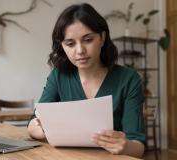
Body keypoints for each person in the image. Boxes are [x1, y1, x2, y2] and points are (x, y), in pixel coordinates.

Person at [27, 3, 145, 158]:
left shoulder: (129, 79)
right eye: (70, 43)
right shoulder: (58, 76)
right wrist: (41, 128)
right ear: (62, 46)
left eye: (88, 40)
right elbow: (33, 124)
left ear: (102, 38)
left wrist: (125, 146)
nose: (80, 50)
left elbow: (138, 147)